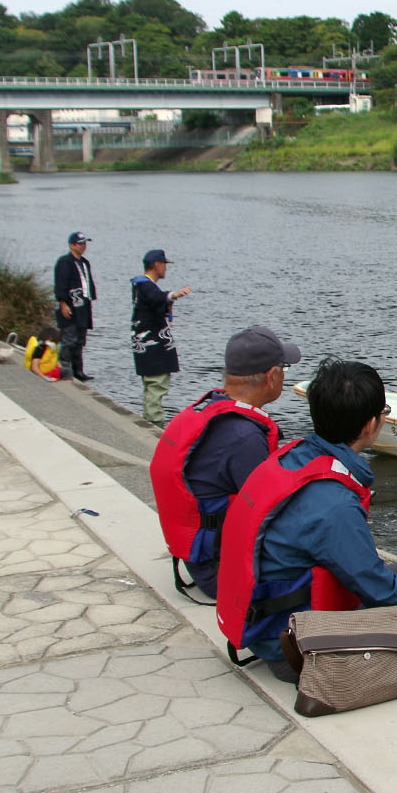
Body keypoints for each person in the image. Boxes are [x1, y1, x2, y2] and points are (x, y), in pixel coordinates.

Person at [215, 359, 397, 715]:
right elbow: (381, 591)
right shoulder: (333, 503)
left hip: (268, 623)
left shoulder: (296, 457)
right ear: (370, 425)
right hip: (292, 648)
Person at [151, 325, 300, 601]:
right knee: (331, 571)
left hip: (202, 559)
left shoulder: (211, 410)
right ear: (271, 377)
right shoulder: (245, 436)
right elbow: (272, 513)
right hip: (219, 572)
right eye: (284, 369)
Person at [131, 248, 192, 425]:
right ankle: (154, 424)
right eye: (164, 264)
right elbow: (157, 297)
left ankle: (149, 420)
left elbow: (155, 301)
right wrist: (173, 295)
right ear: (156, 265)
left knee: (151, 386)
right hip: (152, 346)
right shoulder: (145, 285)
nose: (166, 268)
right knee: (156, 384)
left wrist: (168, 303)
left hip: (145, 344)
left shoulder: (141, 286)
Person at [52, 231, 97, 381]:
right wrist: (63, 303)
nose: (83, 246)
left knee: (80, 340)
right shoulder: (65, 262)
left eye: (84, 243)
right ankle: (64, 370)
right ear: (72, 245)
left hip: (83, 307)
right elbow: (60, 283)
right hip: (70, 306)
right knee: (68, 339)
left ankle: (78, 371)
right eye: (80, 244)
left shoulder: (84, 262)